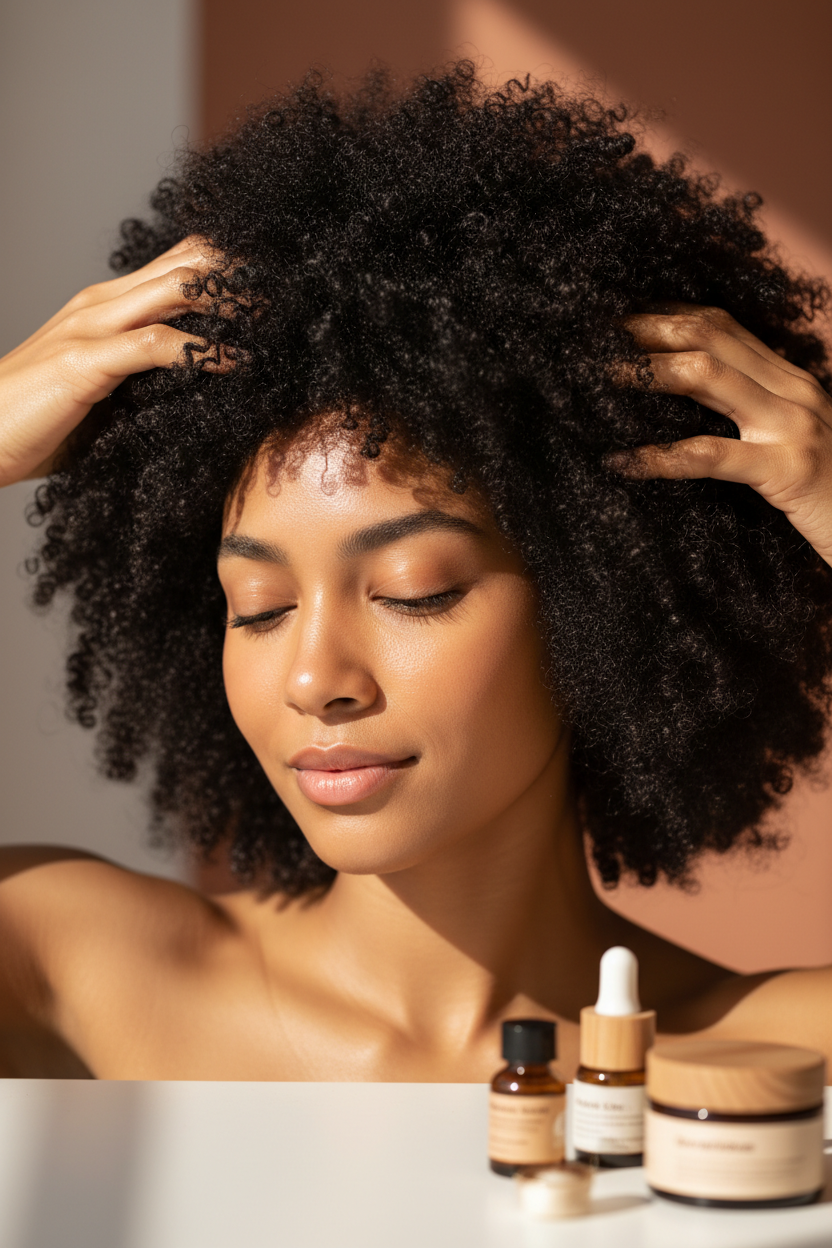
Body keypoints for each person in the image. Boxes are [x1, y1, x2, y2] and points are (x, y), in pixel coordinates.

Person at [0, 64, 830, 1080]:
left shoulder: (779, 1054)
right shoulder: (68, 971)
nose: (314, 679)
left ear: (606, 607)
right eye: (257, 608)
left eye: (413, 590)